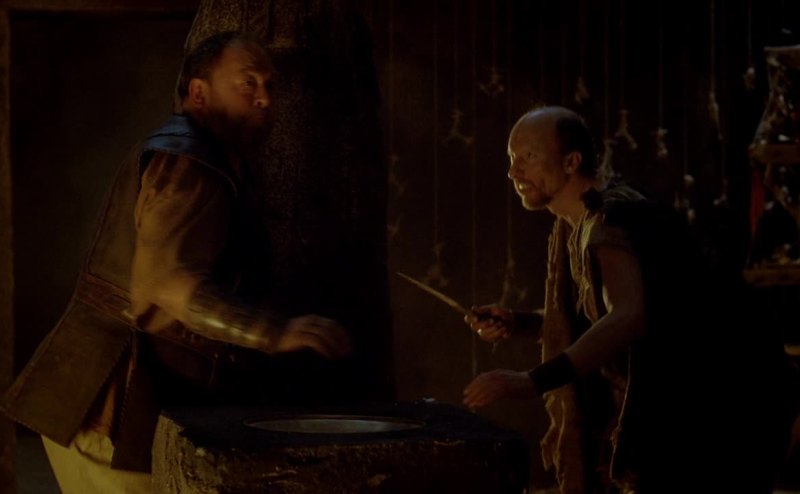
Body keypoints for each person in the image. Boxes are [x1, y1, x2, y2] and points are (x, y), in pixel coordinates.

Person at [1, 31, 353, 493]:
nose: (265, 98)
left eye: (270, 85)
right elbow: (168, 284)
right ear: (199, 92)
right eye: (247, 83)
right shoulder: (189, 161)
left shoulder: (214, 161)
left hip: (119, 405)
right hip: (112, 408)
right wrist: (272, 332)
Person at [462, 106, 797, 493]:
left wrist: (531, 381)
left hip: (725, 405)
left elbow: (627, 318)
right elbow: (598, 318)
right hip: (696, 410)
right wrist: (519, 322)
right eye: (512, 158)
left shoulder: (613, 219)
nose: (514, 172)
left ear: (571, 162)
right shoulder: (577, 224)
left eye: (529, 156)